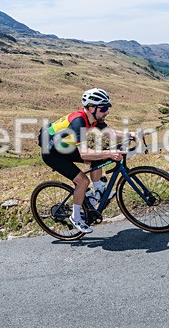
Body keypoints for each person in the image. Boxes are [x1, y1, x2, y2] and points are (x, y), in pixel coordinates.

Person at [39, 88, 134, 234]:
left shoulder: (94, 119)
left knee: (99, 155)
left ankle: (98, 192)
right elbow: (84, 154)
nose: (107, 112)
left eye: (107, 107)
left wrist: (132, 134)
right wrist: (110, 153)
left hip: (64, 147)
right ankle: (76, 217)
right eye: (103, 108)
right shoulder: (79, 122)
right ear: (91, 108)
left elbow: (112, 133)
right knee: (83, 181)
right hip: (52, 153)